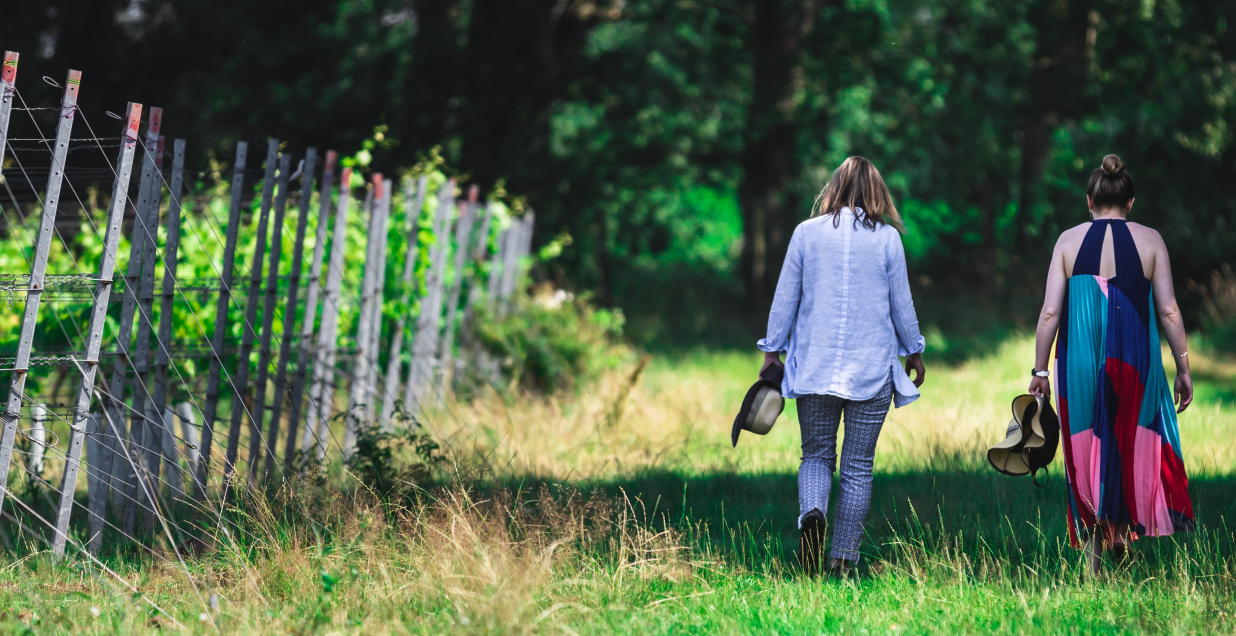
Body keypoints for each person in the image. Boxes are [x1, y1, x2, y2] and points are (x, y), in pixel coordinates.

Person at [757, 156, 926, 577]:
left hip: (814, 367)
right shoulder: (888, 240)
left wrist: (772, 350)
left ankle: (813, 513)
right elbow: (901, 304)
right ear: (877, 193)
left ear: (832, 188)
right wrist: (914, 350)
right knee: (857, 467)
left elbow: (785, 297)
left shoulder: (805, 234)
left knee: (815, 454)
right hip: (872, 371)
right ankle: (843, 559)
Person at [1029, 154, 1195, 572]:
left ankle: (1096, 557)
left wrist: (1040, 371)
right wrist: (1184, 367)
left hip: (1079, 360)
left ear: (1090, 199)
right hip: (1136, 358)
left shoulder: (1068, 241)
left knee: (1087, 445)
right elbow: (1170, 311)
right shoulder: (1151, 240)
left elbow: (1050, 312)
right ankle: (1121, 537)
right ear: (1131, 202)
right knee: (1130, 439)